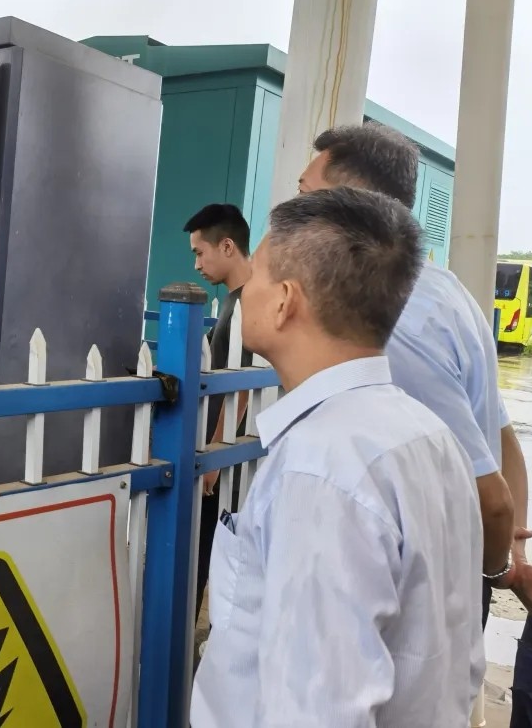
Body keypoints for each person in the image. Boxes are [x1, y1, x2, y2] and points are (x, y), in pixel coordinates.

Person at [192, 187, 483, 725]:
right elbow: (462, 664)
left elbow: (316, 711)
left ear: (284, 300)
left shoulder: (321, 468)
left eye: (257, 275)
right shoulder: (431, 437)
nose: (244, 289)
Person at [297, 122, 527, 617]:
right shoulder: (445, 289)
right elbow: (504, 438)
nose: (292, 214)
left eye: (305, 195)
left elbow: (492, 499)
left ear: (350, 206)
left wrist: (500, 570)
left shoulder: (393, 322)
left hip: (419, 587)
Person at [181, 203, 253, 623]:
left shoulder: (247, 304)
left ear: (227, 246)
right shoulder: (231, 303)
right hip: (218, 459)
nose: (196, 264)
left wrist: (214, 456)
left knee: (207, 562)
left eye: (200, 252)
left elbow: (241, 387)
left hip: (223, 468)